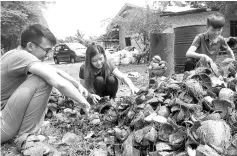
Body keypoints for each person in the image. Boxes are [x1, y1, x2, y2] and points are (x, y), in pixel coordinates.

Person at [1, 24, 90, 143]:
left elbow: (55, 70)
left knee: (44, 75)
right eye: (46, 50)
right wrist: (83, 102)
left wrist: (77, 85)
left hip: (6, 119)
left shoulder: (14, 54)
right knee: (43, 80)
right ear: (31, 46)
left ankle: (25, 134)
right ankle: (27, 137)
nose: (48, 55)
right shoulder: (21, 56)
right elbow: (58, 82)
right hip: (3, 126)